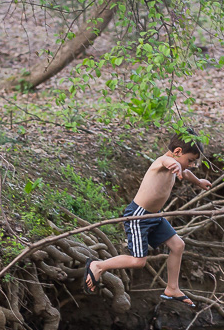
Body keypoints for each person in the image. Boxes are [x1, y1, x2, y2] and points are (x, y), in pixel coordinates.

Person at [83, 131, 212, 307]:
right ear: (178, 151)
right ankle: (98, 266)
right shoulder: (162, 162)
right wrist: (174, 165)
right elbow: (168, 162)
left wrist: (199, 182)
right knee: (138, 261)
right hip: (139, 215)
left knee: (178, 245)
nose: (191, 165)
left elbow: (186, 173)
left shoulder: (179, 164)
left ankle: (172, 288)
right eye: (190, 160)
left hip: (154, 215)